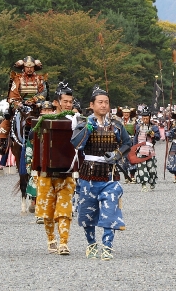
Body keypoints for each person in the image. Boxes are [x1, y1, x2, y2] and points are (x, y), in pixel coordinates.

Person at [71, 86, 132, 261]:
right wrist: (88, 129)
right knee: (87, 213)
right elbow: (76, 144)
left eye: (106, 102)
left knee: (110, 211)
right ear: (92, 105)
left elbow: (127, 143)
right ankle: (91, 243)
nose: (104, 105)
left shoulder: (117, 125)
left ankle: (107, 246)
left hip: (110, 175)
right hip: (88, 175)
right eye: (100, 102)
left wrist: (117, 155)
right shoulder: (83, 123)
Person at [34, 83, 76, 255]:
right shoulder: (45, 119)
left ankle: (64, 242)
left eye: (70, 102)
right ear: (56, 102)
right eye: (65, 101)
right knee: (48, 208)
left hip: (66, 171)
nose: (68, 105)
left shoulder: (76, 120)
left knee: (64, 208)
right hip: (46, 171)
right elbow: (33, 136)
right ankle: (51, 238)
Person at [133, 105, 160, 191]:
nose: (145, 119)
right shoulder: (138, 126)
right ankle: (143, 184)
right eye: (143, 117)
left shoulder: (154, 126)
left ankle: (152, 182)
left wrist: (153, 135)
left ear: (149, 117)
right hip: (140, 149)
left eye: (146, 117)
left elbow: (158, 137)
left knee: (151, 168)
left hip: (150, 150)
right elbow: (135, 138)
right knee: (141, 168)